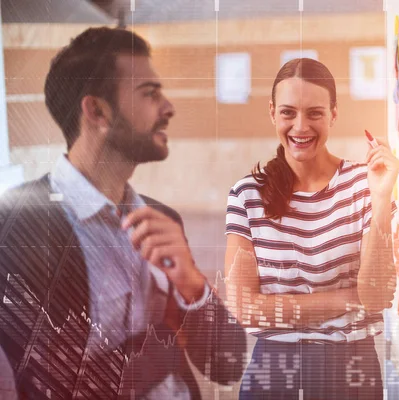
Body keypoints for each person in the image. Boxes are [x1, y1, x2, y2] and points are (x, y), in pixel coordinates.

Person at [0, 27, 246, 398]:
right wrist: (159, 348)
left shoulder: (163, 220)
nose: (169, 108)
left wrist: (193, 285)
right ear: (97, 110)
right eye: (150, 94)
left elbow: (226, 364)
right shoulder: (17, 227)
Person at [224, 58, 399, 399]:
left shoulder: (364, 184)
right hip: (273, 373)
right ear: (273, 113)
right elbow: (245, 308)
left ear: (334, 114)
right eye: (288, 112)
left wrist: (380, 198)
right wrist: (347, 300)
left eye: (314, 113)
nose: (300, 127)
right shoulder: (246, 195)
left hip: (351, 369)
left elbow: (376, 296)